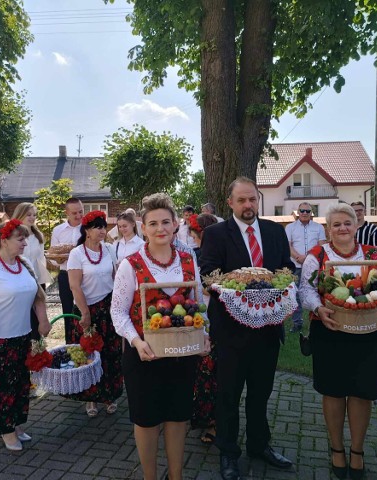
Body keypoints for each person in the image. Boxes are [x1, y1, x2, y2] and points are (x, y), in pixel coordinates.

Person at [200, 177, 295, 480]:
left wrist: (285, 279)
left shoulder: (274, 231)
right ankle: (228, 452)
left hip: (267, 329)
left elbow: (287, 267)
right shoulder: (215, 234)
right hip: (230, 332)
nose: (248, 205)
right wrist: (237, 282)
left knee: (261, 393)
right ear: (230, 203)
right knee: (228, 395)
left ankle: (259, 445)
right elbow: (208, 273)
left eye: (252, 199)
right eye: (241, 200)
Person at [110, 193, 209, 480]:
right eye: (153, 223)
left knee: (178, 418)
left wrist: (204, 333)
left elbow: (200, 302)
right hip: (144, 355)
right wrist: (136, 341)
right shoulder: (131, 264)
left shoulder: (189, 260)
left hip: (182, 353)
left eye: (166, 221)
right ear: (143, 227)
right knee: (147, 421)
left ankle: (176, 476)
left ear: (176, 224)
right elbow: (118, 312)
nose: (160, 228)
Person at [300, 203, 377, 480]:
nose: (342, 228)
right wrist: (318, 309)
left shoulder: (372, 254)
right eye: (336, 224)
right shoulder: (317, 256)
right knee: (332, 391)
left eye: (347, 223)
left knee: (361, 392)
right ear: (328, 229)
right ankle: (336, 449)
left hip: (366, 333)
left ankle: (357, 450)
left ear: (357, 225)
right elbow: (305, 289)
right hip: (329, 331)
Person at [0, 219, 51, 450]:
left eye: (25, 238)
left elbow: (37, 296)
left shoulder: (24, 264)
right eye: (20, 238)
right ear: (4, 241)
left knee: (19, 386)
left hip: (22, 337)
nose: (25, 242)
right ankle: (5, 430)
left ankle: (15, 424)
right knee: (1, 387)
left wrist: (43, 320)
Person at [66, 210, 122, 417]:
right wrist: (85, 313)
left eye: (103, 226)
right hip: (86, 309)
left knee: (110, 353)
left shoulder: (109, 249)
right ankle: (90, 398)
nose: (102, 230)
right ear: (87, 231)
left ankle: (110, 395)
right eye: (97, 227)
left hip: (108, 308)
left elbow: (116, 278)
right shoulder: (77, 253)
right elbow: (75, 286)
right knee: (90, 354)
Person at [187, 213, 219, 445]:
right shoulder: (193, 254)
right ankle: (206, 419)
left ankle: (213, 422)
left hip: (216, 320)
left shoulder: (218, 253)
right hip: (198, 318)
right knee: (202, 373)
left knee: (211, 372)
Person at [12, 202, 52, 340]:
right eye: (28, 214)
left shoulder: (38, 235)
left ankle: (37, 348)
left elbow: (41, 259)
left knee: (37, 318)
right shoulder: (12, 235)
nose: (32, 218)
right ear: (20, 214)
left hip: (36, 280)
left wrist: (42, 283)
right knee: (23, 316)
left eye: (34, 215)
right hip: (18, 280)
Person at [285, 202, 327, 333]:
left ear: (311, 213)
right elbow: (288, 245)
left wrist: (307, 257)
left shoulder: (318, 227)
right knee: (295, 294)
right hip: (295, 265)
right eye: (302, 211)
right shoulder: (290, 227)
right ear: (298, 212)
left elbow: (321, 246)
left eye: (307, 211)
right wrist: (298, 257)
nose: (304, 213)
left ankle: (317, 319)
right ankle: (297, 323)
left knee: (316, 292)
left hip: (313, 266)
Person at [50, 197, 83, 341]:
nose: (78, 216)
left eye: (81, 212)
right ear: (67, 213)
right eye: (74, 213)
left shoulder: (88, 228)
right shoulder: (58, 231)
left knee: (85, 310)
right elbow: (52, 256)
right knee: (68, 310)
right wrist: (58, 259)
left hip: (85, 275)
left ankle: (88, 342)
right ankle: (70, 344)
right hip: (65, 275)